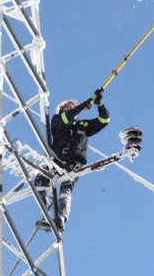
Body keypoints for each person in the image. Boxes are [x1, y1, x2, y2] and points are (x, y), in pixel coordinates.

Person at [35, 88, 110, 232]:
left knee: (66, 186)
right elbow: (66, 118)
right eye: (68, 106)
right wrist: (81, 106)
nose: (72, 108)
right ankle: (45, 215)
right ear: (61, 109)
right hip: (56, 160)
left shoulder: (83, 125)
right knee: (40, 178)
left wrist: (99, 104)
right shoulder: (57, 120)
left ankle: (61, 219)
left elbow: (104, 120)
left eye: (73, 107)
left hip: (73, 163)